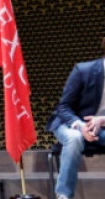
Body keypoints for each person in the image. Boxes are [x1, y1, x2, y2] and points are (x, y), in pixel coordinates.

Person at [47, 38, 105, 199]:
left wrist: (102, 120)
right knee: (75, 138)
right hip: (70, 122)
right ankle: (64, 195)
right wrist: (81, 126)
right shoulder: (83, 70)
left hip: (100, 127)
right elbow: (63, 107)